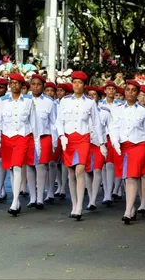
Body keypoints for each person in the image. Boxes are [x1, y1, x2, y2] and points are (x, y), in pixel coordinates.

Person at [56, 71, 106, 220]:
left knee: (80, 170)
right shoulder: (64, 101)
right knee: (71, 173)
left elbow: (96, 123)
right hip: (69, 138)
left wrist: (102, 143)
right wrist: (61, 135)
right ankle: (74, 203)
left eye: (80, 83)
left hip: (84, 138)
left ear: (84, 85)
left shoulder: (90, 102)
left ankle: (79, 207)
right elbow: (59, 121)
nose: (77, 85)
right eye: (75, 82)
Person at [109, 80, 145, 225]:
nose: (130, 92)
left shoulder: (143, 111)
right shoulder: (117, 109)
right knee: (126, 178)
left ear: (137, 93)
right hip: (122, 146)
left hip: (139, 146)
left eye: (133, 90)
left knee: (132, 177)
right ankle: (132, 208)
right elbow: (113, 127)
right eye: (128, 90)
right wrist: (115, 142)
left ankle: (127, 211)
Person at [0, 73, 41, 217]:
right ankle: (17, 202)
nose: (14, 85)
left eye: (17, 83)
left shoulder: (28, 101)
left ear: (22, 86)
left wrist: (37, 143)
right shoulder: (2, 101)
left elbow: (34, 122)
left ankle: (14, 201)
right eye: (12, 83)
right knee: (12, 169)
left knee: (18, 166)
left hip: (22, 136)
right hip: (7, 137)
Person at [26, 74, 57, 209]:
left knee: (41, 166)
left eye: (38, 84)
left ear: (43, 86)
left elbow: (53, 122)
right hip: (28, 137)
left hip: (44, 137)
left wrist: (54, 141)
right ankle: (32, 197)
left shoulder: (49, 102)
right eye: (33, 84)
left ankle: (40, 198)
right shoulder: (25, 100)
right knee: (29, 166)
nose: (35, 87)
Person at [85, 86, 110, 211]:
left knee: (97, 170)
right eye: (89, 95)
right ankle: (90, 197)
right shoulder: (83, 110)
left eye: (94, 95)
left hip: (99, 144)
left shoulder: (105, 112)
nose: (92, 97)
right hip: (86, 144)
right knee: (88, 172)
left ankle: (93, 200)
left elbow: (109, 130)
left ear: (99, 97)